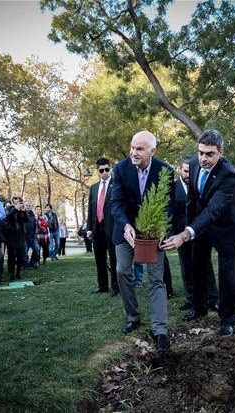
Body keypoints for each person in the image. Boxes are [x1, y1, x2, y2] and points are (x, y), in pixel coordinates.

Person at [162, 130, 235, 337]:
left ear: (220, 153)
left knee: (226, 273)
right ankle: (199, 307)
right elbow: (193, 200)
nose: (203, 159)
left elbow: (214, 209)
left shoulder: (229, 174)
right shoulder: (195, 165)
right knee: (196, 266)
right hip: (200, 225)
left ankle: (227, 320)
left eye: (209, 154)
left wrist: (186, 233)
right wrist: (188, 228)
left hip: (225, 228)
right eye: (201, 153)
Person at [110, 130, 174, 352]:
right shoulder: (119, 169)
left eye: (139, 149)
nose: (133, 153)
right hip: (125, 230)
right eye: (132, 147)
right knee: (122, 271)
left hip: (153, 232)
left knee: (157, 278)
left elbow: (170, 205)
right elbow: (115, 203)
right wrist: (126, 225)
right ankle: (133, 316)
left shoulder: (165, 170)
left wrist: (162, 228)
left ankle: (160, 329)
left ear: (152, 151)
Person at [172, 155, 219, 311]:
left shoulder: (200, 185)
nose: (188, 175)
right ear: (179, 169)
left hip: (200, 232)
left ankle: (213, 298)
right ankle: (191, 299)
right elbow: (169, 212)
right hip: (180, 234)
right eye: (185, 171)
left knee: (206, 266)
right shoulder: (172, 188)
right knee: (186, 266)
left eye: (190, 171)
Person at [86, 157, 119, 296]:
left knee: (114, 258)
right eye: (101, 170)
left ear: (110, 168)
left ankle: (116, 287)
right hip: (97, 228)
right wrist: (88, 228)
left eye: (107, 169)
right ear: (97, 171)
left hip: (111, 227)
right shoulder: (93, 188)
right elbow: (91, 209)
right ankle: (102, 286)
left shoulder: (116, 184)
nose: (105, 172)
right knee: (99, 258)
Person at [5, 196, 28, 281]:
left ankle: (18, 273)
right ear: (13, 201)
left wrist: (24, 211)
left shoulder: (21, 210)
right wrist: (16, 209)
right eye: (15, 199)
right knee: (12, 255)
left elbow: (26, 220)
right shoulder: (9, 209)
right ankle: (11, 273)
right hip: (11, 235)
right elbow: (8, 218)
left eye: (19, 200)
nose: (17, 201)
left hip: (21, 236)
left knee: (20, 255)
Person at [24, 203, 40, 268]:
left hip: (33, 236)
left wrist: (35, 231)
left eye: (29, 205)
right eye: (26, 205)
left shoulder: (32, 214)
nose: (28, 207)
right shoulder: (21, 214)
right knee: (25, 252)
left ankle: (33, 262)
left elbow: (34, 224)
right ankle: (25, 264)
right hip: (24, 237)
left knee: (37, 249)